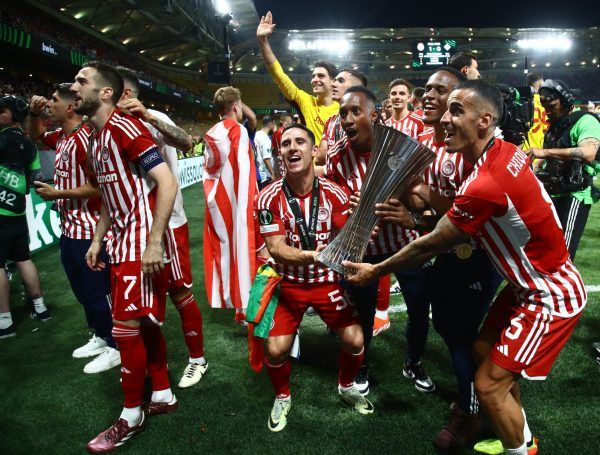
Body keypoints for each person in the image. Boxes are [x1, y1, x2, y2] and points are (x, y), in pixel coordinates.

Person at [345, 80, 587, 455]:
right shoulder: (499, 153)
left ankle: (516, 444)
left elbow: (435, 240)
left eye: (455, 110)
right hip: (524, 288)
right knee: (481, 351)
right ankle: (521, 438)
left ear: (485, 120)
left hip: (549, 295)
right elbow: (449, 214)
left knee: (488, 385)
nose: (445, 118)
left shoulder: (485, 180)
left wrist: (376, 270)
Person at [70, 61, 178, 452]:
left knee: (124, 327)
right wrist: (98, 240)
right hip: (119, 241)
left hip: (140, 240)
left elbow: (166, 181)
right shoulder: (95, 138)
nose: (74, 87)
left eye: (82, 81)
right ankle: (162, 392)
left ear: (106, 93)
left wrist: (154, 242)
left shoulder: (125, 128)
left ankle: (131, 415)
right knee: (143, 324)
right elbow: (108, 198)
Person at [256, 122, 373, 432]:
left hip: (326, 282)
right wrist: (311, 255)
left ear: (312, 151)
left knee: (356, 340)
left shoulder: (335, 193)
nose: (292, 148)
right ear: (280, 154)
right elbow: (276, 248)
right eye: (285, 144)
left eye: (300, 142)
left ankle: (346, 385)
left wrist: (361, 227)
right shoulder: (268, 197)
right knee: (275, 349)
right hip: (288, 283)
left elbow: (348, 238)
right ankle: (282, 396)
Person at [411, 68, 502, 450]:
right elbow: (429, 206)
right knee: (449, 327)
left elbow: (465, 213)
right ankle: (482, 394)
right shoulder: (428, 142)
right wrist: (414, 208)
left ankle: (471, 411)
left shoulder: (470, 149)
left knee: (461, 333)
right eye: (428, 89)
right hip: (450, 251)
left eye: (443, 92)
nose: (430, 97)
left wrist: (421, 192)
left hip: (477, 254)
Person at [327, 86, 434, 395]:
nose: (347, 119)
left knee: (419, 307)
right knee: (362, 311)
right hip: (363, 247)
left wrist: (407, 209)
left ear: (374, 116)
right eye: (343, 113)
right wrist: (346, 205)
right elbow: (332, 202)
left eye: (355, 112)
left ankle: (413, 361)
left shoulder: (399, 147)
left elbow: (421, 199)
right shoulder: (337, 156)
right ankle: (361, 364)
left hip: (403, 242)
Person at [116, 67, 208, 388]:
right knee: (142, 303)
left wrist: (150, 118)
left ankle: (198, 359)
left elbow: (186, 142)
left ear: (126, 93)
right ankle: (155, 368)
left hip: (168, 223)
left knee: (179, 291)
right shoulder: (113, 125)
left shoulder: (152, 116)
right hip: (133, 228)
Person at [28, 84, 120, 374]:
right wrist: (33, 114)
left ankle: (116, 345)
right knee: (82, 292)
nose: (49, 105)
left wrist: (58, 194)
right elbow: (36, 136)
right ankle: (101, 334)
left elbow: (99, 188)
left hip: (89, 231)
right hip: (68, 230)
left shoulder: (85, 139)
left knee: (98, 292)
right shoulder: (61, 136)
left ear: (69, 108)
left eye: (54, 101)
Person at [527, 79, 600, 260]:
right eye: (544, 106)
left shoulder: (585, 120)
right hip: (552, 194)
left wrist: (544, 152)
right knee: (545, 250)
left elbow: (588, 153)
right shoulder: (554, 128)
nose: (547, 110)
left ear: (566, 100)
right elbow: (545, 162)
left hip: (574, 194)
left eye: (551, 105)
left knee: (562, 256)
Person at [203, 87, 257, 319]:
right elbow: (243, 171)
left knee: (225, 251)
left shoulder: (212, 132)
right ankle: (245, 306)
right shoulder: (238, 130)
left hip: (216, 201)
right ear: (236, 106)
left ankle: (235, 301)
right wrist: (252, 204)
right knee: (242, 249)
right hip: (237, 201)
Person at [0, 95, 50, 339]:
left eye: (2, 111)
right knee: (24, 258)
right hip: (19, 211)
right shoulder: (30, 145)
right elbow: (36, 178)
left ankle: (5, 322)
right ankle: (41, 308)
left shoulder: (1, 139)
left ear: (13, 115)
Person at [257, 11, 339, 141]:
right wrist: (263, 41)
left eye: (321, 76)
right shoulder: (305, 101)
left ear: (333, 80)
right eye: (313, 76)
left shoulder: (343, 109)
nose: (315, 80)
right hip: (311, 155)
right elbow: (279, 74)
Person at [315, 68, 367, 167]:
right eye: (334, 80)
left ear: (356, 88)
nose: (333, 84)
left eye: (341, 81)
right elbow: (319, 158)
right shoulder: (330, 121)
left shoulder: (367, 119)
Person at [521, 73, 549, 151]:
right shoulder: (544, 102)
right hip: (538, 149)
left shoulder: (521, 101)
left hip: (523, 149)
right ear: (541, 84)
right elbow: (547, 127)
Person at [254, 116, 275, 188]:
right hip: (263, 176)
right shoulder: (265, 138)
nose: (274, 126)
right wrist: (272, 173)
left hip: (256, 172)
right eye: (274, 124)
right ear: (271, 123)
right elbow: (266, 158)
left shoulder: (257, 134)